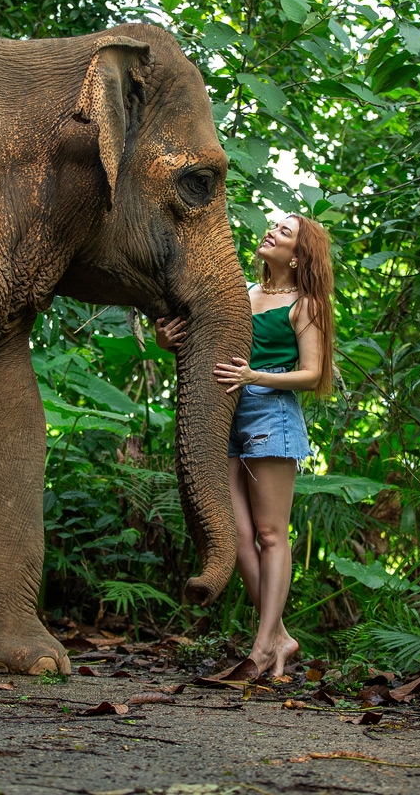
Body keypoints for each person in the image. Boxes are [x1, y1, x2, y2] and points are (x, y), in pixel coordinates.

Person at [156, 213, 336, 679]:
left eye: (285, 232)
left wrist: (256, 377)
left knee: (271, 534)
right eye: (273, 225)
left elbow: (315, 374)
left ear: (299, 255)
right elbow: (208, 347)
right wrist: (167, 340)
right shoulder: (242, 295)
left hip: (271, 412)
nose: (272, 231)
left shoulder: (306, 303)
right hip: (225, 414)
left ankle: (263, 645)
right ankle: (277, 637)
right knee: (236, 536)